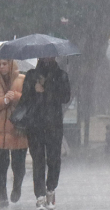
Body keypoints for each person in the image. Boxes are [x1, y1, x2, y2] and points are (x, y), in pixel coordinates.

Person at [20, 57, 70, 210]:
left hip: (54, 125)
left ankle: (51, 188)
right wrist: (33, 89)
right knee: (38, 161)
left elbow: (65, 97)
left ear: (54, 56)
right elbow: (24, 99)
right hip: (35, 125)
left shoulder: (61, 75)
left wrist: (47, 86)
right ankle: (40, 196)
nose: (46, 58)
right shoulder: (31, 75)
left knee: (54, 160)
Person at [0, 59, 27, 208]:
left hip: (18, 129)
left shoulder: (23, 80)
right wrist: (3, 100)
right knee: (2, 165)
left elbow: (30, 101)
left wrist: (16, 97)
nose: (1, 67)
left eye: (4, 63)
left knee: (19, 166)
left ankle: (17, 187)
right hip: (0, 132)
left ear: (11, 64)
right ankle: (2, 196)